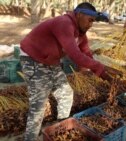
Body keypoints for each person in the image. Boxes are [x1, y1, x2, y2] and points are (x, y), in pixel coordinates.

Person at [19, 2, 120, 141]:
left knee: (66, 94)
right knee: (39, 104)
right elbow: (74, 54)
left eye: (93, 22)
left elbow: (86, 53)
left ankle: (58, 130)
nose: (91, 25)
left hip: (50, 61)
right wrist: (100, 67)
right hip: (33, 58)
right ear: (79, 15)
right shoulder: (64, 23)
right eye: (90, 20)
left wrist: (103, 74)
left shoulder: (81, 34)